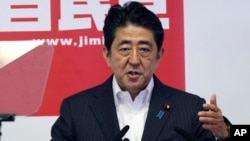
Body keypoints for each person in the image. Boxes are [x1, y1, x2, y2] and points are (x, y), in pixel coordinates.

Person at [50, 1, 230, 141]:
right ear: (107, 54)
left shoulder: (191, 108)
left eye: (144, 49)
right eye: (125, 49)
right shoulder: (76, 110)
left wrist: (227, 135)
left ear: (159, 55)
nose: (134, 60)